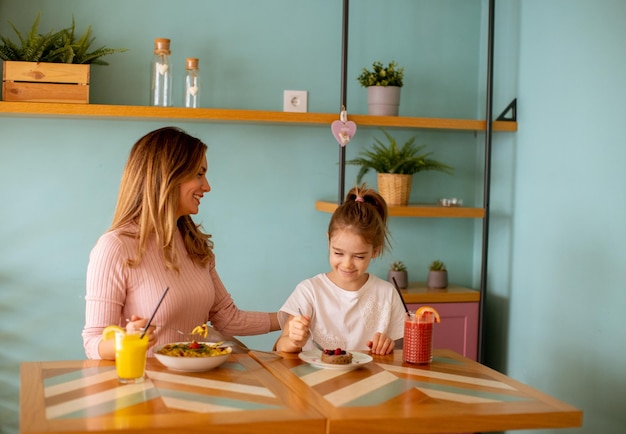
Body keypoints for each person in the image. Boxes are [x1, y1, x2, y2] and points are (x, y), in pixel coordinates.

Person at [82, 126, 280, 360]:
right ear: (168, 176)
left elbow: (227, 318)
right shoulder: (115, 247)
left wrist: (293, 317)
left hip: (197, 381)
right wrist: (127, 340)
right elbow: (93, 342)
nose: (207, 186)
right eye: (199, 174)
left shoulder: (192, 242)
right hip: (145, 385)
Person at [275, 185, 406, 355]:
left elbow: (401, 352)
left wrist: (388, 346)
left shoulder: (387, 294)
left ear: (375, 251)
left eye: (358, 256)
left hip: (369, 380)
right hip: (315, 380)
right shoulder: (309, 291)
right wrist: (293, 340)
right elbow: (281, 346)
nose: (347, 264)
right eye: (338, 253)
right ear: (329, 241)